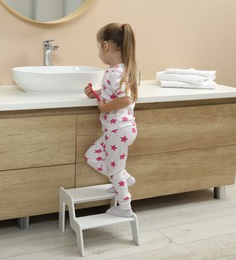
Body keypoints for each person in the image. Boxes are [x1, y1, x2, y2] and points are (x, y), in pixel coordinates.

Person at [84, 23, 138, 218]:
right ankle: (124, 179)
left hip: (118, 130)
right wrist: (96, 94)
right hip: (120, 130)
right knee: (92, 155)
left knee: (115, 170)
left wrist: (104, 107)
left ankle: (124, 207)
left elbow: (126, 98)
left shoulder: (115, 72)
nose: (99, 51)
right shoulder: (120, 70)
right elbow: (114, 93)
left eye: (99, 46)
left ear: (106, 46)